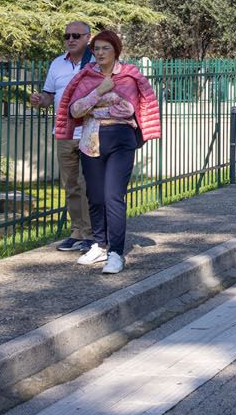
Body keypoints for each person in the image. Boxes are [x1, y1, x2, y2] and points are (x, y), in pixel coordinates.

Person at [56, 29, 161, 275]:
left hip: (121, 139)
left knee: (113, 195)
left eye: (106, 48)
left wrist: (94, 105)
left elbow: (126, 109)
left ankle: (115, 252)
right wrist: (100, 92)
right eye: (97, 49)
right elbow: (75, 110)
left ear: (116, 51)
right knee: (95, 196)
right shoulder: (86, 77)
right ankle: (99, 244)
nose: (100, 53)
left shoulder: (129, 76)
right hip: (91, 142)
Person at [31, 21, 95, 253]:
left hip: (91, 131)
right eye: (67, 35)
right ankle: (76, 232)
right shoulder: (57, 63)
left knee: (88, 185)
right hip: (64, 132)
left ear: (88, 37)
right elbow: (49, 96)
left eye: (76, 35)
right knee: (70, 185)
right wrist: (40, 101)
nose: (71, 39)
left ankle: (92, 234)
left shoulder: (96, 62)